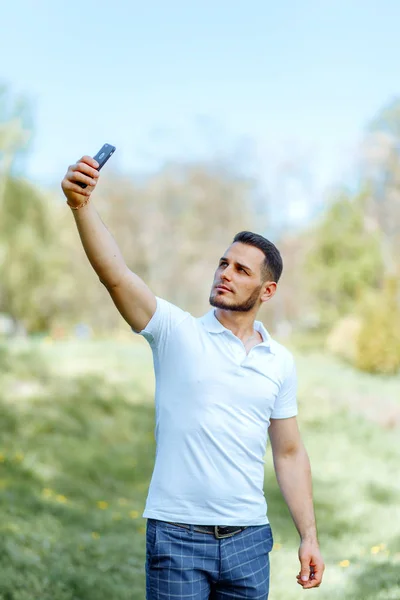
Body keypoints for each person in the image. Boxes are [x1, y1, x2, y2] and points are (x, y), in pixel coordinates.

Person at [61, 155, 325, 599]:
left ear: (268, 291)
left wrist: (310, 536)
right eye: (224, 263)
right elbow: (117, 275)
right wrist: (81, 206)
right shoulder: (176, 332)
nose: (225, 274)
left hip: (249, 542)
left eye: (241, 270)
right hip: (177, 539)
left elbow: (290, 453)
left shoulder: (279, 362)